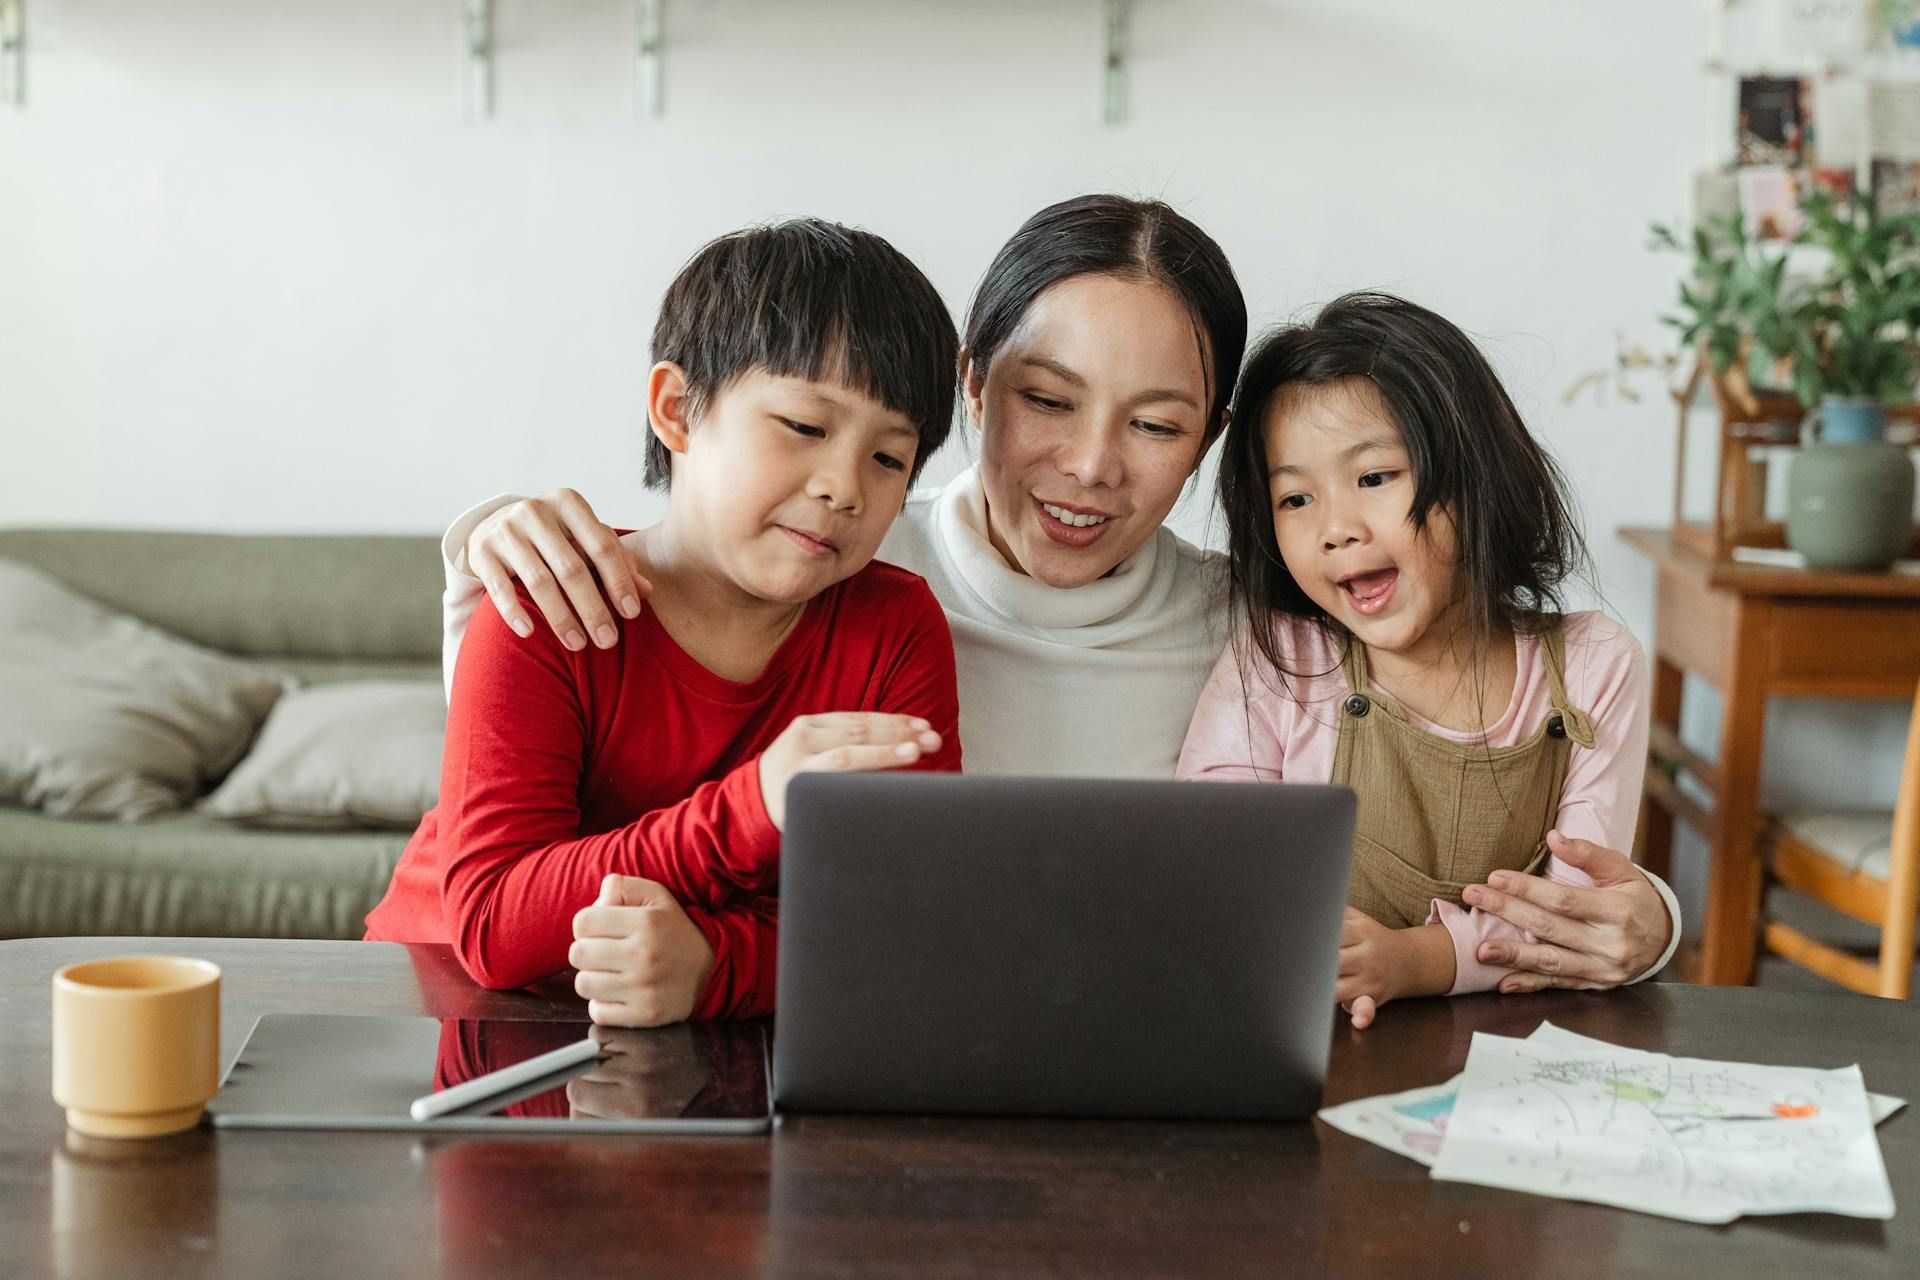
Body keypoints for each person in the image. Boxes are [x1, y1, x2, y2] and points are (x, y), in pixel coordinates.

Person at [439, 195, 1680, 998]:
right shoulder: (849, 559)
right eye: (1046, 400)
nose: (1093, 466)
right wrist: (485, 536)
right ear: (970, 387)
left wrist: (1653, 919)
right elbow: (630, 614)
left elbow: (1461, 738)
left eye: (1156, 424)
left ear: (1211, 446)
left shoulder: (1259, 640)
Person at [364, 219, 964, 1027]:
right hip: (445, 1010)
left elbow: (904, 928)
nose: (844, 486)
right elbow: (494, 924)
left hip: (692, 1036)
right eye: (806, 427)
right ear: (677, 411)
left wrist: (713, 966)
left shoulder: (895, 630)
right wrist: (752, 807)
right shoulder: (549, 600)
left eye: (889, 458)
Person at [1179, 292, 1680, 1028]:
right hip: (1307, 1041)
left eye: (1375, 477)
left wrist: (1417, 961)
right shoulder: (1279, 658)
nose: (1337, 529)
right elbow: (1216, 870)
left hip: (1518, 1052)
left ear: (1476, 473)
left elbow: (1575, 920)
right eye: (1294, 499)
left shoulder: (1592, 665)